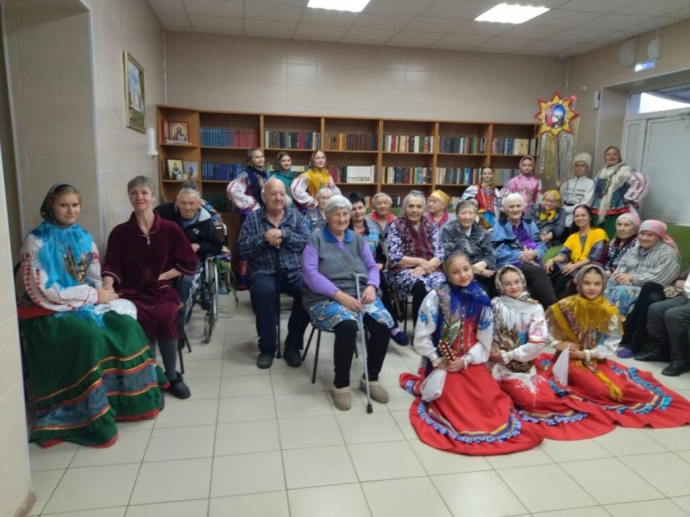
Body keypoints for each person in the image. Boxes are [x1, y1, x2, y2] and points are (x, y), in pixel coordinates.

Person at [19, 184, 166, 448]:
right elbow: (43, 290)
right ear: (51, 207)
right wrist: (92, 296)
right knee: (91, 336)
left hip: (86, 304)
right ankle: (90, 412)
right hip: (50, 311)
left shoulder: (84, 237)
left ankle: (129, 401)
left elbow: (94, 276)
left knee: (127, 326)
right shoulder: (36, 241)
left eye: (75, 205)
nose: (70, 210)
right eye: (64, 205)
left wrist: (103, 292)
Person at [399, 252, 543, 455]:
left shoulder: (481, 298)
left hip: (471, 361)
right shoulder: (436, 297)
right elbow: (422, 336)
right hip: (445, 363)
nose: (463, 275)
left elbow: (484, 340)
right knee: (458, 406)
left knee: (487, 401)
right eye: (455, 272)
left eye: (466, 269)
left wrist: (466, 360)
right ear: (447, 274)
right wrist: (437, 360)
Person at [545, 264, 690, 428]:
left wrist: (585, 354)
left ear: (603, 285)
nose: (592, 288)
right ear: (579, 284)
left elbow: (611, 345)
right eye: (587, 283)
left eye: (597, 284)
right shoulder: (565, 305)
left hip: (595, 360)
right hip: (567, 360)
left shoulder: (609, 311)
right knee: (599, 391)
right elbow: (546, 329)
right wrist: (559, 344)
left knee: (619, 390)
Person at [491, 265, 614, 440]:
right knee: (524, 400)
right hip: (495, 365)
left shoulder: (534, 307)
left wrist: (507, 355)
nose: (513, 286)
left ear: (523, 282)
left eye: (517, 282)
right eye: (507, 283)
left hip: (524, 363)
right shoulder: (494, 305)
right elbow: (485, 331)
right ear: (500, 285)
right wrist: (490, 349)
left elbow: (537, 343)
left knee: (542, 400)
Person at [102, 176, 198, 400]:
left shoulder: (170, 229)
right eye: (134, 193)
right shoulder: (120, 233)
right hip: (130, 291)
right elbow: (111, 266)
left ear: (153, 197)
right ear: (129, 197)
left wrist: (166, 275)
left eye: (144, 192)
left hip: (161, 290)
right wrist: (107, 288)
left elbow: (189, 260)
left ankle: (171, 376)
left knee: (165, 314)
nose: (139, 197)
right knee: (139, 317)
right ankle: (150, 378)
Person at [302, 195, 394, 410]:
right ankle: (341, 384)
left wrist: (372, 286)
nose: (342, 219)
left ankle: (371, 378)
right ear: (327, 216)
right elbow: (310, 275)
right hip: (326, 297)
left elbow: (372, 267)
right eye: (337, 214)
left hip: (361, 292)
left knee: (383, 324)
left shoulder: (357, 239)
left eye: (345, 214)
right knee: (348, 326)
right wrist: (340, 295)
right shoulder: (315, 239)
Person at [238, 177, 311, 369]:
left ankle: (293, 346)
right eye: (273, 194)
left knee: (308, 291)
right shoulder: (252, 218)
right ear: (264, 196)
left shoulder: (296, 217)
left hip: (294, 270)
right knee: (261, 292)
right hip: (264, 271)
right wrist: (264, 238)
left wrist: (284, 235)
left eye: (281, 193)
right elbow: (243, 249)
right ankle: (267, 348)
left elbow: (307, 242)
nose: (278, 198)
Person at [348, 192, 409, 346]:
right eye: (353, 209)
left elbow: (380, 254)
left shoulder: (373, 229)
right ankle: (381, 326)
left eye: (360, 208)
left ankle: (392, 327)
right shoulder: (345, 231)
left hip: (372, 270)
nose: (358, 212)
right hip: (351, 273)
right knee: (378, 281)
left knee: (380, 280)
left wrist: (381, 263)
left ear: (365, 208)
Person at [155, 187, 223, 323]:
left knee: (186, 281)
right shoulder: (163, 213)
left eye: (191, 203)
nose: (187, 207)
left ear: (198, 205)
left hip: (192, 262)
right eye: (183, 203)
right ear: (177, 202)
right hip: (167, 259)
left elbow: (217, 247)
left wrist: (199, 246)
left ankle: (180, 323)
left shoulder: (205, 221)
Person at [605, 220, 680, 325]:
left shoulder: (668, 254)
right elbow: (621, 266)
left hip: (648, 290)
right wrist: (620, 278)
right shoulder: (634, 250)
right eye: (642, 234)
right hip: (624, 284)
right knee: (602, 285)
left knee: (622, 292)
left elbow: (661, 278)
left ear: (658, 236)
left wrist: (632, 278)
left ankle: (614, 327)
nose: (644, 238)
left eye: (649, 235)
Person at [387, 190, 446, 326]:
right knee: (420, 286)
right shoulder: (396, 225)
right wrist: (420, 261)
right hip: (404, 271)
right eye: (411, 206)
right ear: (405, 208)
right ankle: (420, 331)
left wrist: (426, 267)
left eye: (419, 206)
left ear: (424, 208)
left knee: (443, 286)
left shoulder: (431, 225)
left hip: (430, 269)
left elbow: (440, 254)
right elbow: (394, 257)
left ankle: (439, 331)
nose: (415, 210)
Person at [491, 193, 557, 309]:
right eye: (511, 206)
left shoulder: (529, 224)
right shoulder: (500, 225)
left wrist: (534, 253)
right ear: (506, 210)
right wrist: (521, 255)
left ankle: (537, 314)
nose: (515, 209)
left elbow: (541, 246)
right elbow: (497, 252)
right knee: (539, 272)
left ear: (523, 208)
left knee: (536, 283)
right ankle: (554, 309)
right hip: (508, 265)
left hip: (530, 262)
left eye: (518, 206)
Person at [545, 205, 608, 299]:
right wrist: (552, 260)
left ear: (590, 217)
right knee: (551, 267)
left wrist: (574, 266)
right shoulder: (573, 236)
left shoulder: (599, 233)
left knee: (564, 276)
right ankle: (544, 299)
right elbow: (564, 254)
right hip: (573, 266)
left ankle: (553, 301)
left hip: (589, 267)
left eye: (583, 215)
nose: (580, 218)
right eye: (577, 216)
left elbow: (593, 257)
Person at [631, 267, 690, 367]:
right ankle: (660, 351)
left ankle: (680, 360)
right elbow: (680, 280)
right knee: (655, 308)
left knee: (673, 315)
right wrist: (682, 281)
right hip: (686, 296)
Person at [227, 148, 268, 289]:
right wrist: (251, 202)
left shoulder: (262, 174)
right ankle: (243, 279)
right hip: (250, 215)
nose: (260, 159)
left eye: (262, 156)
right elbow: (232, 190)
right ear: (250, 160)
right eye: (257, 157)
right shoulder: (246, 174)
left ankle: (257, 277)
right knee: (248, 244)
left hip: (262, 214)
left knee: (260, 244)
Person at [591, 146, 648, 239]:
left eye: (615, 154)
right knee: (597, 234)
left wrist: (629, 197)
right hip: (599, 208)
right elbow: (594, 188)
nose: (611, 156)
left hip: (618, 208)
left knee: (612, 233)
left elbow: (641, 181)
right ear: (605, 158)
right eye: (608, 155)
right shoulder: (601, 172)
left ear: (619, 156)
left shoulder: (625, 170)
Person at [441, 199, 495, 294]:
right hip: (458, 274)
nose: (467, 217)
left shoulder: (482, 232)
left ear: (476, 215)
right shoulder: (448, 230)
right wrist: (472, 269)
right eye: (463, 213)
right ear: (456, 215)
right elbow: (449, 256)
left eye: (471, 213)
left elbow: (490, 254)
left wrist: (483, 264)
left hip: (482, 273)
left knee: (498, 281)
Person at [596, 211, 639, 277]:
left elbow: (627, 264)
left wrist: (608, 273)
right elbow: (602, 258)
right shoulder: (613, 242)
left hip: (621, 275)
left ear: (635, 228)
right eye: (619, 225)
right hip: (605, 272)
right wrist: (594, 267)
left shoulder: (637, 244)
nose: (621, 229)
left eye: (626, 225)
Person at [559, 152, 595, 228]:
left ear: (587, 168)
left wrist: (568, 209)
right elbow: (560, 198)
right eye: (577, 165)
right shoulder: (567, 182)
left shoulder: (590, 183)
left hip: (578, 215)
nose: (579, 168)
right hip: (563, 214)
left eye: (582, 166)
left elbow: (586, 203)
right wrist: (558, 187)